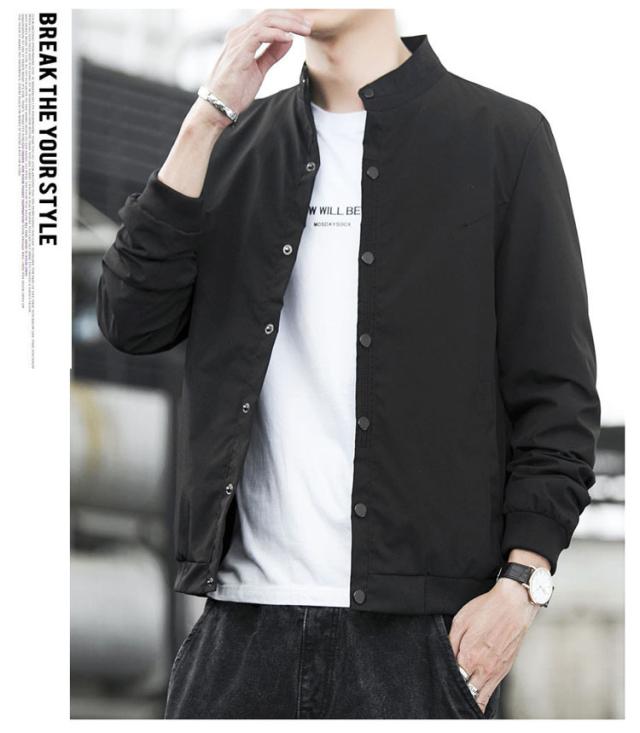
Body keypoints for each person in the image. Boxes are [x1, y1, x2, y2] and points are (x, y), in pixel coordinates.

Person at [96, 8, 600, 719]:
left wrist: (522, 586)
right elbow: (130, 321)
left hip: (423, 642)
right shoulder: (231, 144)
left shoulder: (502, 140)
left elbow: (558, 395)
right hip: (239, 634)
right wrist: (204, 120)